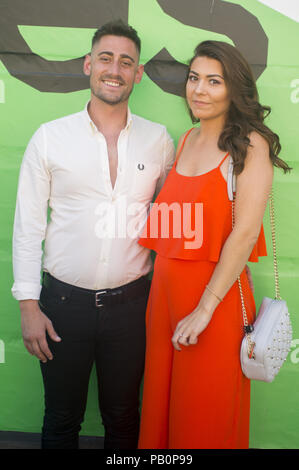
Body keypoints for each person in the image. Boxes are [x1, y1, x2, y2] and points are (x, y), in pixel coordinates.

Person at [11, 20, 175, 449]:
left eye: (126, 62)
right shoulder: (49, 139)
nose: (114, 69)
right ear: (88, 64)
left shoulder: (159, 141)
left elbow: (168, 227)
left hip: (132, 309)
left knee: (123, 418)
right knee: (62, 418)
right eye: (105, 58)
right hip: (63, 307)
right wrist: (29, 305)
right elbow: (28, 227)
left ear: (138, 73)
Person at [137, 40, 291, 449]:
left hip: (215, 303)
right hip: (165, 301)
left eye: (213, 81)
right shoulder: (186, 140)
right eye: (193, 78)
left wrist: (205, 308)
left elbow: (243, 233)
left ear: (233, 89)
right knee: (162, 409)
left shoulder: (250, 145)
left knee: (203, 416)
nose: (199, 90)